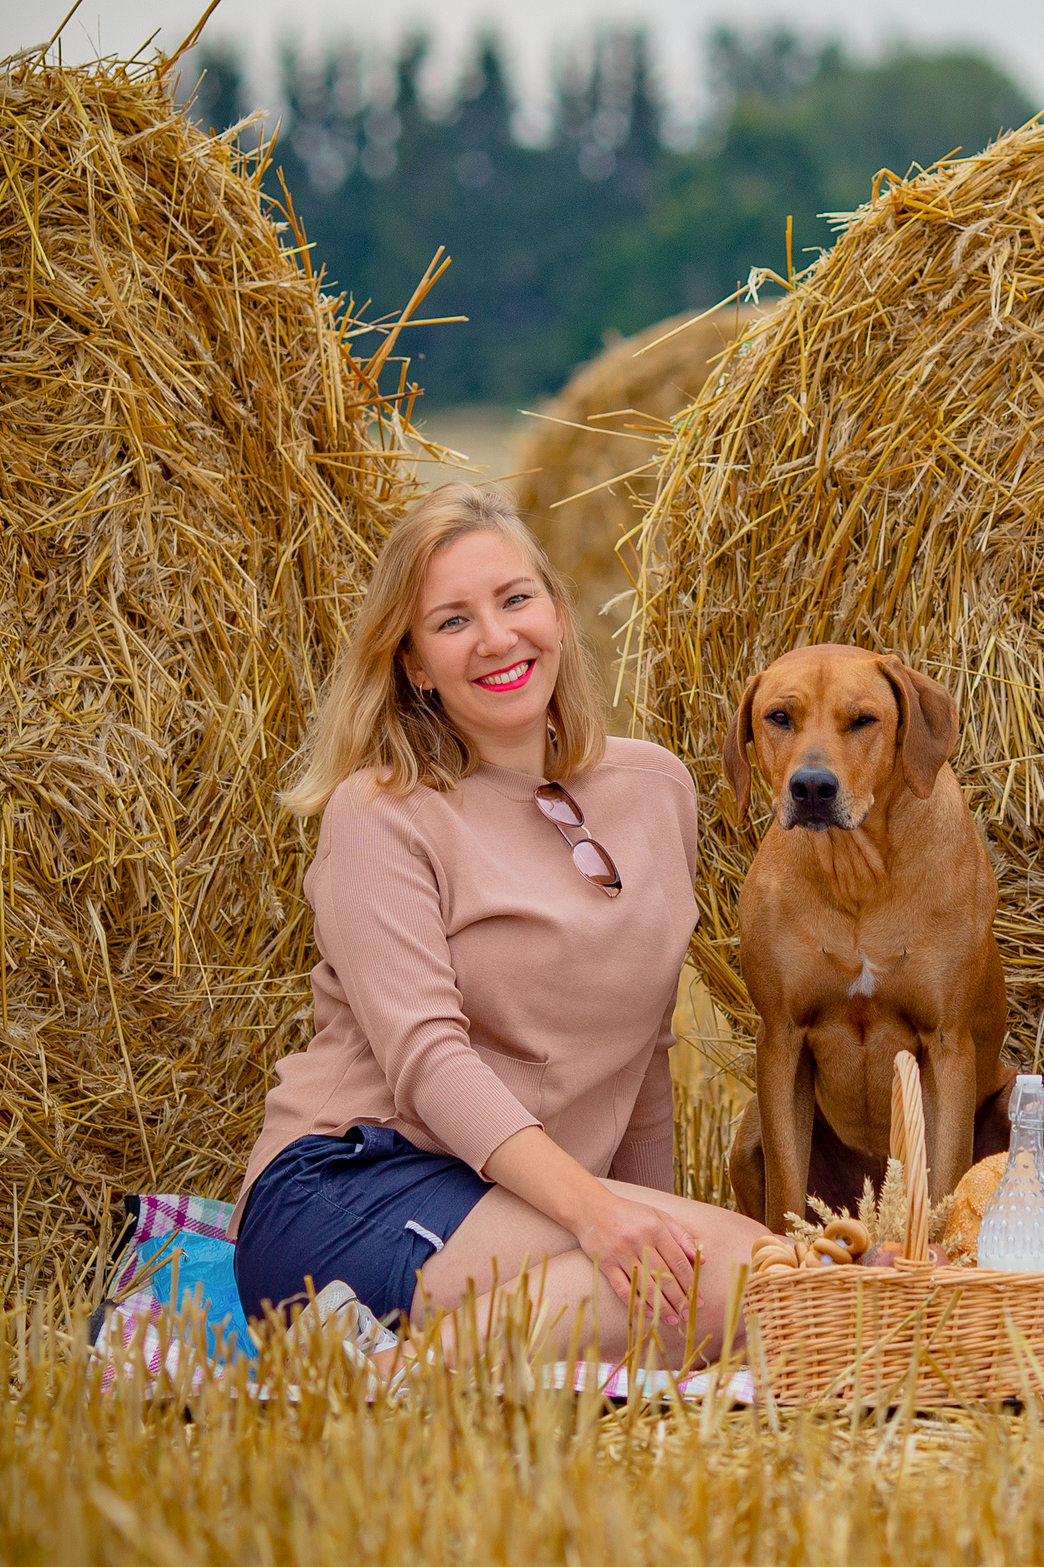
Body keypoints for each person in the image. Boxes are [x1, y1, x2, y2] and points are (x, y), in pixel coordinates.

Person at [229, 482, 764, 1368]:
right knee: (744, 1269)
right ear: (411, 663)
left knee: (740, 1274)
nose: (497, 638)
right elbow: (430, 1061)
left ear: (555, 607)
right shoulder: (382, 810)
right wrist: (602, 1216)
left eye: (516, 599)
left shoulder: (657, 789)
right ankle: (385, 1389)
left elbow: (645, 1059)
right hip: (355, 1182)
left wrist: (652, 1236)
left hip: (532, 1206)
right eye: (452, 621)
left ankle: (394, 1368)